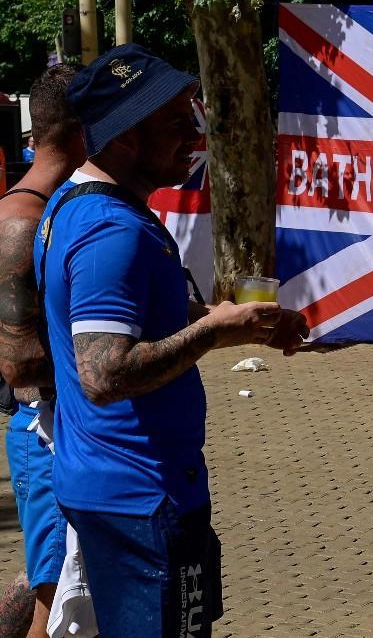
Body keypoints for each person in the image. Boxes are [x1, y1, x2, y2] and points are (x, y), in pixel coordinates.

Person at [35, 43, 309, 638]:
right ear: (127, 135)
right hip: (140, 497)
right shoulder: (113, 232)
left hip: (126, 490)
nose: (195, 133)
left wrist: (231, 320)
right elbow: (104, 373)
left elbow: (136, 316)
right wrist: (213, 330)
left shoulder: (81, 206)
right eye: (177, 121)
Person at [0, 64, 83, 638]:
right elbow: (21, 363)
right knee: (53, 601)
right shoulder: (23, 221)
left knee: (42, 580)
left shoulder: (50, 209)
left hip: (51, 428)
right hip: (43, 428)